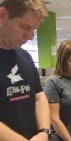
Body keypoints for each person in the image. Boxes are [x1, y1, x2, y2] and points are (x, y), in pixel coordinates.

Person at [0, 0, 50, 141]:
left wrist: (44, 132)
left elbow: (39, 97)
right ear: (2, 15)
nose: (30, 37)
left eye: (33, 30)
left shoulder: (25, 56)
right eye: (24, 27)